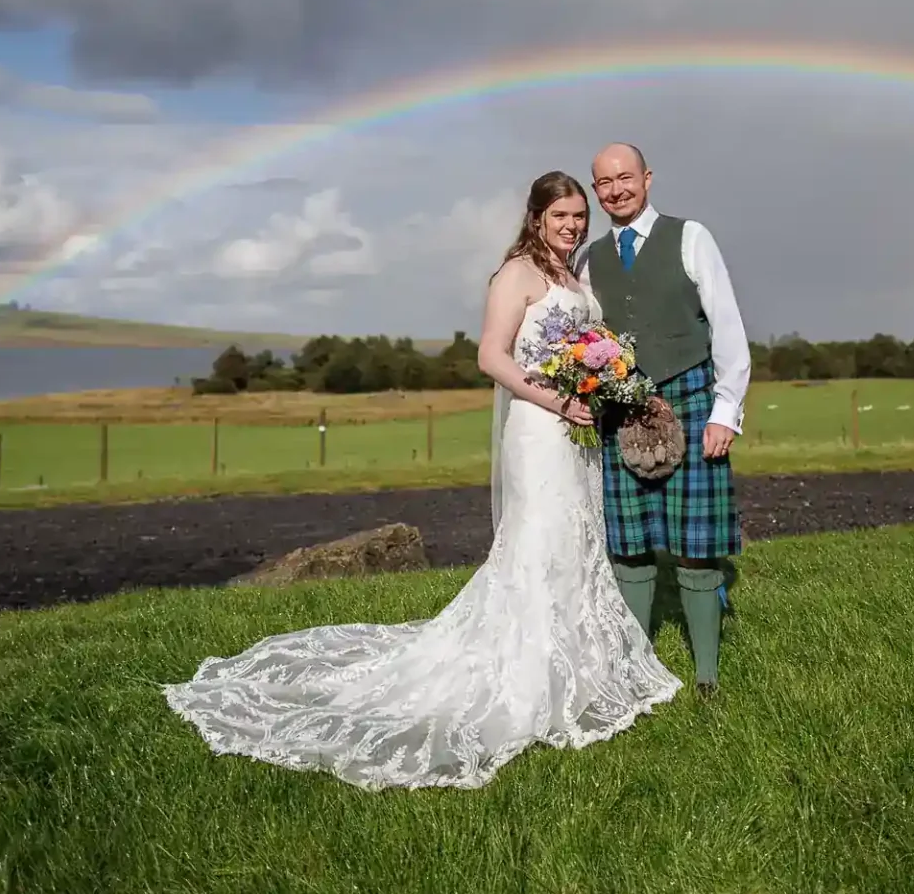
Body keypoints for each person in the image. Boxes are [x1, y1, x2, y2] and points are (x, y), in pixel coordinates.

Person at [161, 171, 681, 790]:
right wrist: (555, 400)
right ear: (536, 217)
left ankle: (578, 667)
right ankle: (528, 679)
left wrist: (599, 385)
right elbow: (492, 356)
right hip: (540, 431)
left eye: (578, 216)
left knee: (575, 544)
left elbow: (583, 348)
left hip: (577, 435)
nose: (572, 225)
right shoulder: (517, 272)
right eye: (561, 215)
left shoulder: (573, 276)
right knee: (539, 545)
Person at [577, 142, 750, 697]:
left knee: (696, 548)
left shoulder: (691, 236)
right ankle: (638, 671)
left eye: (624, 177)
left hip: (693, 399)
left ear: (647, 178)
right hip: (622, 413)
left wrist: (727, 412)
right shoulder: (588, 258)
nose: (615, 190)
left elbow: (726, 325)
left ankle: (706, 677)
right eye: (603, 183)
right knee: (629, 543)